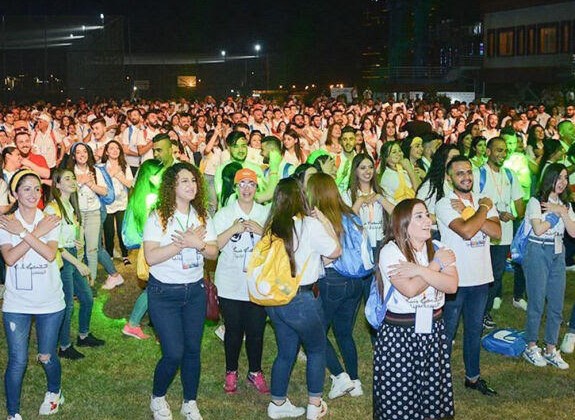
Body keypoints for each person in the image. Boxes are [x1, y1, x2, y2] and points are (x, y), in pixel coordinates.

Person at [144, 162, 219, 420]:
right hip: (164, 293)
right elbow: (151, 257)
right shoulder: (158, 217)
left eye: (194, 180)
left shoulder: (202, 216)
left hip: (195, 292)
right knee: (173, 352)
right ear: (172, 187)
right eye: (184, 181)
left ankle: (190, 401)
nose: (191, 185)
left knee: (192, 350)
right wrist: (181, 245)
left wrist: (196, 243)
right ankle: (158, 396)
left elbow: (213, 251)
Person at [374, 198, 457, 420]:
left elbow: (451, 285)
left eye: (427, 215)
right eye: (419, 216)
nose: (427, 220)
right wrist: (435, 267)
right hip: (400, 334)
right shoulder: (391, 252)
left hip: (433, 329)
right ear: (403, 223)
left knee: (432, 394)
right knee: (399, 395)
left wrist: (417, 270)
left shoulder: (440, 248)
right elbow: (409, 289)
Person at [265, 178, 341, 420]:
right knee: (317, 349)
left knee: (285, 351)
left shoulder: (271, 227)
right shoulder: (309, 225)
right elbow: (335, 251)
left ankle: (277, 403)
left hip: (275, 300)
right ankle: (314, 405)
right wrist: (325, 221)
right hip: (303, 299)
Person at [0, 169, 65, 419]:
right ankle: (13, 413)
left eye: (36, 188)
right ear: (15, 193)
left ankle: (54, 391)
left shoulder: (50, 219)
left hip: (49, 301)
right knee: (17, 361)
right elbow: (10, 258)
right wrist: (27, 232)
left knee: (46, 355)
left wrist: (25, 233)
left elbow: (49, 255)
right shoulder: (7, 223)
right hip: (17, 302)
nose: (32, 193)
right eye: (26, 188)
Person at [436, 156, 501, 396]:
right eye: (460, 173)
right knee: (446, 334)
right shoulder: (445, 203)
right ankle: (438, 379)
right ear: (449, 177)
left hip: (481, 278)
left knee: (474, 331)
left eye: (468, 172)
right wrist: (482, 209)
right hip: (455, 281)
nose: (466, 177)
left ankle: (473, 378)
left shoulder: (478, 201)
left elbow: (496, 231)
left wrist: (470, 211)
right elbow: (466, 230)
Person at [307, 172, 367, 400]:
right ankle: (356, 381)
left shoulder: (319, 218)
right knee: (344, 333)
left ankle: (340, 376)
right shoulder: (350, 214)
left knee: (316, 333)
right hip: (356, 281)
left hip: (332, 280)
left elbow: (328, 256)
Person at [213, 168, 270, 394]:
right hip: (230, 282)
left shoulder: (265, 212)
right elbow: (214, 245)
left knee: (256, 330)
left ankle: (255, 371)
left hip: (257, 282)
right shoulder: (224, 214)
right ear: (236, 187)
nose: (247, 188)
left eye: (251, 184)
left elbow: (278, 244)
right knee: (233, 330)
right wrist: (234, 229)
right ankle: (231, 371)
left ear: (257, 188)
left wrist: (262, 231)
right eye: (242, 184)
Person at [46, 169, 104, 360]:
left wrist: (77, 243)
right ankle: (63, 346)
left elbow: (68, 236)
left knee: (87, 298)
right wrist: (78, 263)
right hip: (62, 260)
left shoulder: (70, 206)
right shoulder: (52, 208)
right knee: (68, 304)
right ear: (57, 184)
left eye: (73, 178)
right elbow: (55, 246)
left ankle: (84, 335)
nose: (72, 181)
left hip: (72, 255)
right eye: (67, 179)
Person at [522, 163, 575, 370]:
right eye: (559, 177)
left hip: (557, 253)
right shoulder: (537, 201)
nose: (562, 182)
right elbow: (538, 229)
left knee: (556, 302)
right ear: (549, 178)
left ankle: (551, 348)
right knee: (536, 301)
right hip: (537, 251)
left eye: (565, 178)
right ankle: (531, 345)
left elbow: (573, 232)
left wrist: (562, 212)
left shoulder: (565, 205)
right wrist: (555, 215)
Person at [66, 142, 124, 290]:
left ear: (89, 153)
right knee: (79, 249)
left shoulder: (96, 170)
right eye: (78, 152)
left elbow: (105, 192)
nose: (81, 155)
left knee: (92, 250)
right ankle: (79, 282)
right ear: (73, 156)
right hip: (76, 215)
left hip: (94, 213)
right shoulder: (69, 172)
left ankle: (89, 284)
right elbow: (65, 189)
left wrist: (91, 184)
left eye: (84, 151)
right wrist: (79, 182)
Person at [101, 140, 134, 265]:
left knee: (121, 230)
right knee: (108, 231)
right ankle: (109, 255)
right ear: (107, 152)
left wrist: (118, 175)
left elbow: (130, 184)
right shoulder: (102, 167)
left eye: (117, 148)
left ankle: (125, 255)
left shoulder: (125, 166)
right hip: (108, 204)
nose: (114, 150)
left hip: (122, 203)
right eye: (111, 148)